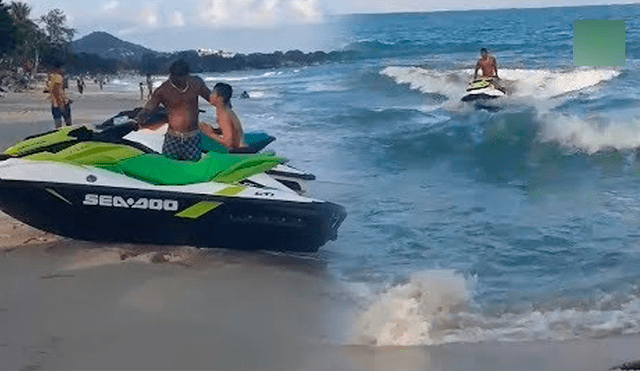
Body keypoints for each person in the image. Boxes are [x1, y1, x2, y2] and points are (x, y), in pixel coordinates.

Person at [135, 60, 216, 161]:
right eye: (177, 76)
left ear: (187, 75)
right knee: (169, 168)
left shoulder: (196, 83)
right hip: (173, 138)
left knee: (193, 170)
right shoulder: (163, 90)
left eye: (183, 76)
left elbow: (213, 100)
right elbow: (149, 107)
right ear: (172, 75)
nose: (180, 80)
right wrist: (140, 116)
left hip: (193, 137)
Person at [199, 82, 252, 153]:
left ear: (219, 98)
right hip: (241, 148)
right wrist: (214, 130)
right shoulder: (226, 111)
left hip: (239, 151)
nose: (210, 96)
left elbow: (228, 142)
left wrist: (210, 134)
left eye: (212, 93)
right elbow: (228, 130)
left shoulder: (224, 115)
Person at [47, 60, 72, 128]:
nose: (63, 70)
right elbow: (56, 91)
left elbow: (51, 90)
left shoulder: (51, 77)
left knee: (57, 121)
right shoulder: (58, 77)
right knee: (68, 122)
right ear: (58, 68)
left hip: (54, 103)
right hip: (61, 103)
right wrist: (61, 103)